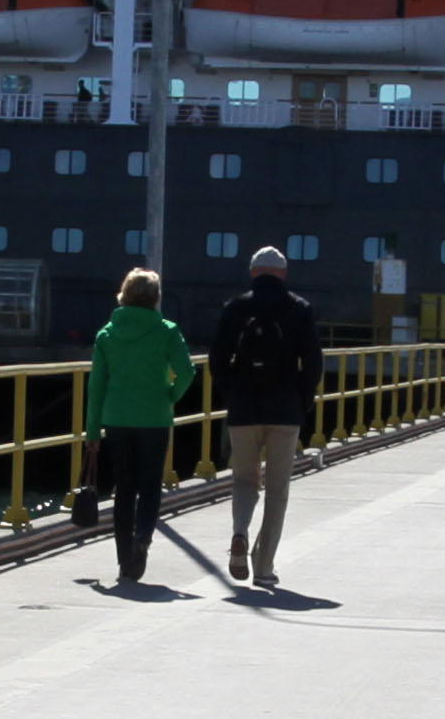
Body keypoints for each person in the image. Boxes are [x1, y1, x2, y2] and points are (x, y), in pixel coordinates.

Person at [206, 244, 323, 585]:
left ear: (253, 273)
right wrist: (301, 400)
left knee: (244, 480)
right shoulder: (299, 309)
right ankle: (264, 566)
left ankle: (240, 532)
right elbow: (313, 363)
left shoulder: (235, 308)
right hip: (285, 410)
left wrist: (232, 393)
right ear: (283, 274)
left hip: (244, 408)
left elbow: (217, 360)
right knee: (277, 489)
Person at [83, 267, 198, 587]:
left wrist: (92, 433)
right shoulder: (167, 331)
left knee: (124, 489)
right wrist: (168, 396)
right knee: (149, 486)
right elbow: (187, 372)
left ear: (125, 294)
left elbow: (96, 388)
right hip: (154, 419)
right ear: (156, 298)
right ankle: (143, 538)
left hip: (116, 419)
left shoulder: (107, 334)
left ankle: (124, 561)